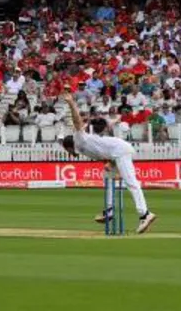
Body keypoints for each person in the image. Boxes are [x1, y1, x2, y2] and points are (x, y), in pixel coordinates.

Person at [61, 95, 157, 234]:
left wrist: (70, 103)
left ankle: (145, 214)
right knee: (107, 176)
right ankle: (110, 211)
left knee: (131, 183)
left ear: (69, 147)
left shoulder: (78, 138)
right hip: (113, 155)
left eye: (68, 151)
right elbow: (101, 152)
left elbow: (77, 120)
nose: (70, 154)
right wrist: (108, 163)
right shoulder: (83, 148)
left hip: (120, 150)